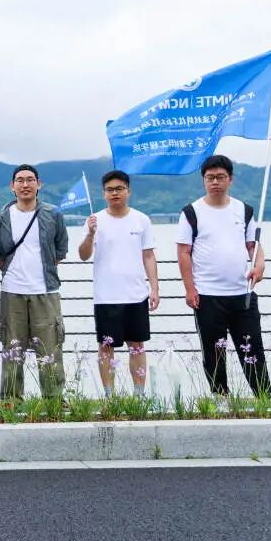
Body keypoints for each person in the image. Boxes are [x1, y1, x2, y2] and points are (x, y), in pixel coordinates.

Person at [176, 154, 271, 397]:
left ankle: (264, 396)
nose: (215, 182)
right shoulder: (191, 212)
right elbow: (184, 252)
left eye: (220, 177)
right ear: (203, 180)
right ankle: (220, 396)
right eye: (210, 177)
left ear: (230, 179)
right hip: (207, 295)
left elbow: (254, 246)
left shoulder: (244, 210)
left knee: (251, 347)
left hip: (243, 293)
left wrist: (260, 265)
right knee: (213, 350)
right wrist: (190, 289)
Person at [0, 164, 70, 401]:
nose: (25, 185)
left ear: (39, 184)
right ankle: (11, 399)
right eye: (20, 180)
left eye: (30, 180)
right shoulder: (1, 216)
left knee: (50, 347)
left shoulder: (53, 214)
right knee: (12, 348)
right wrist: (11, 269)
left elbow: (61, 249)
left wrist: (43, 269)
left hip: (45, 290)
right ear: (12, 186)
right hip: (11, 291)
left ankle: (54, 398)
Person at [78, 170, 159, 398]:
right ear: (103, 193)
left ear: (128, 191)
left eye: (119, 189)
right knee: (106, 348)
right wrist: (90, 234)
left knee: (137, 346)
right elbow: (83, 255)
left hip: (136, 294)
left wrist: (154, 288)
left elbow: (148, 256)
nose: (115, 193)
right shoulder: (95, 220)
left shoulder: (141, 219)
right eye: (110, 190)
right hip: (106, 296)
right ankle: (109, 396)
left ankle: (139, 395)